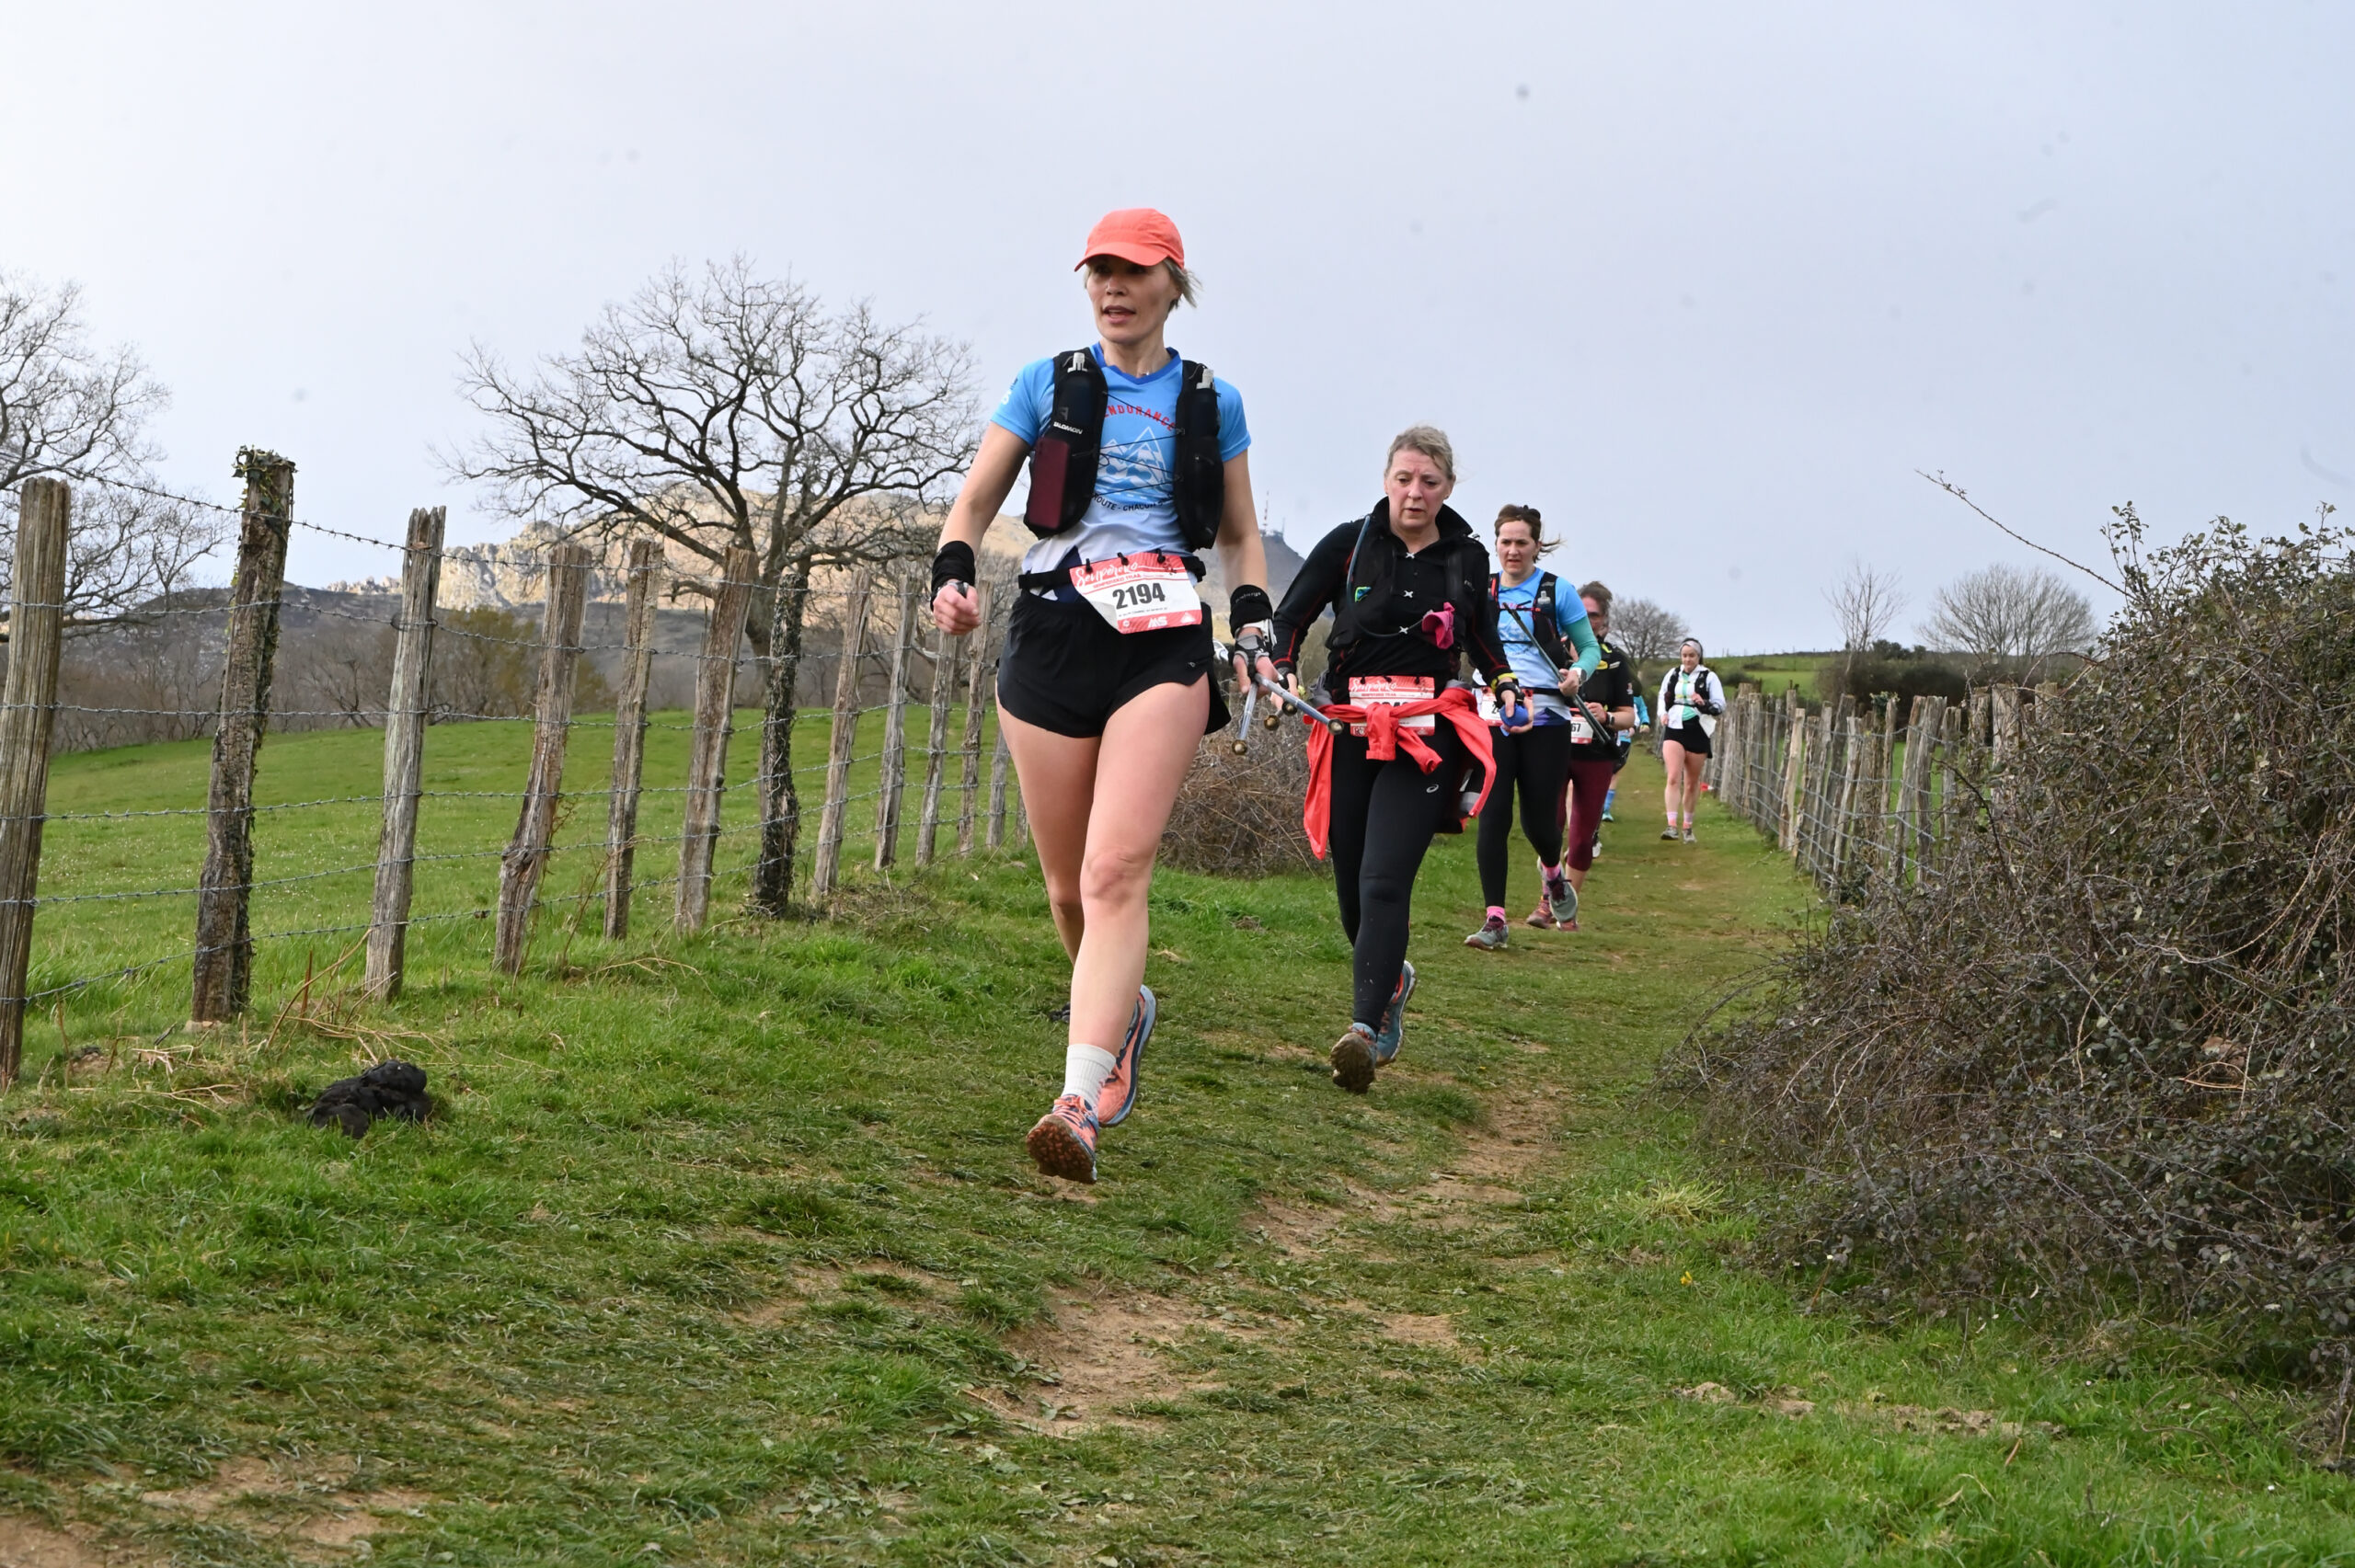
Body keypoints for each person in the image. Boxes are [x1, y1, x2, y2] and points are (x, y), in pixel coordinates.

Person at [930, 209, 1278, 1185]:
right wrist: (952, 574)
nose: (1113, 288)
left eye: (1133, 272)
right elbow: (974, 503)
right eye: (1098, 272)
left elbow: (1241, 536)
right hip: (1054, 628)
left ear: (1173, 284)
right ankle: (1123, 1015)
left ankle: (1076, 1100)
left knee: (1115, 869)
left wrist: (1252, 618)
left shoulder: (1212, 400)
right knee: (1066, 888)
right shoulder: (1047, 383)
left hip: (1163, 637)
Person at [1270, 427, 1525, 1093]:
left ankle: (1363, 1030)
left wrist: (1503, 681)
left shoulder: (1467, 557)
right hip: (1350, 724)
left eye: (1430, 482)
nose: (1415, 493)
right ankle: (1393, 980)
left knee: (1385, 879)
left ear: (1448, 488)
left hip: (1425, 733)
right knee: (1352, 886)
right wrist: (1283, 665)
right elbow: (1290, 617)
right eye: (1404, 478)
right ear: (1386, 479)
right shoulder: (1349, 543)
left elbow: (1482, 637)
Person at [1464, 507, 1600, 950]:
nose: (1513, 550)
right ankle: (1495, 919)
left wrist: (1577, 673)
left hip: (1546, 714)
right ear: (1495, 544)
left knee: (1539, 821)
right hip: (1493, 712)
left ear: (1537, 545)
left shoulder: (1558, 591)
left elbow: (1590, 648)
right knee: (1494, 813)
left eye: (1521, 542)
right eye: (1505, 541)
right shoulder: (1481, 589)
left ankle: (1553, 874)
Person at [1536, 581, 1637, 926]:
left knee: (1581, 839)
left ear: (1604, 621)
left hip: (1596, 757)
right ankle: (1548, 902)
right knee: (1548, 830)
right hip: (1553, 750)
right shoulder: (1550, 651)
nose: (1585, 619)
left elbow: (1629, 716)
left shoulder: (1614, 660)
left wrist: (1606, 717)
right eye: (1579, 612)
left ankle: (1566, 913)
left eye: (1592, 615)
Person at [1657, 637, 1726, 842]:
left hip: (1698, 729)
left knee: (1691, 782)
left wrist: (1703, 703)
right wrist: (1663, 714)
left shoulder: (1709, 677)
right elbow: (1662, 696)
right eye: (1684, 655)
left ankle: (1687, 826)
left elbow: (1720, 705)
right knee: (1673, 777)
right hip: (1674, 728)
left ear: (1698, 656)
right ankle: (1671, 826)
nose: (1687, 660)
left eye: (1692, 656)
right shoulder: (1673, 674)